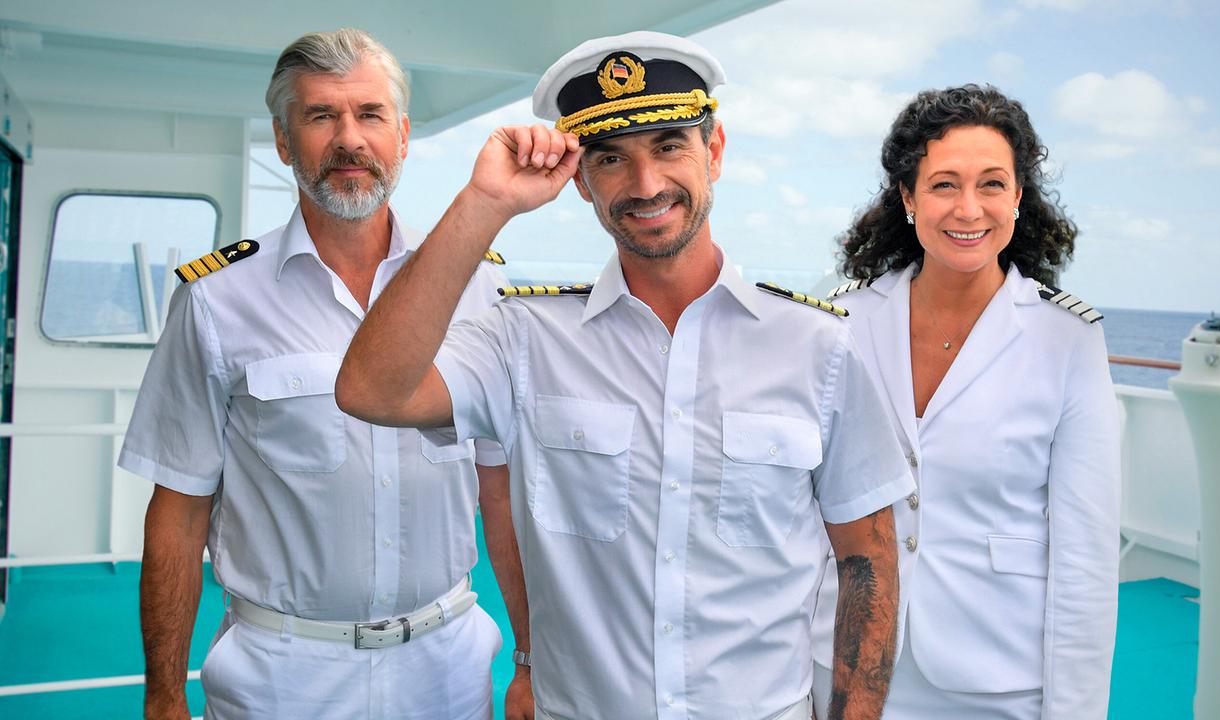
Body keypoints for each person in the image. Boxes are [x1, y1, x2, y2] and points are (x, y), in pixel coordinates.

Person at [336, 31, 914, 720]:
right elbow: (371, 390)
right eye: (611, 158)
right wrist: (485, 203)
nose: (645, 185)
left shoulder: (818, 347)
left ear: (715, 151)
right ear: (580, 180)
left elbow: (868, 564)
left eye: (669, 145)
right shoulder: (524, 339)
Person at [120, 28, 519, 719]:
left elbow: (503, 489)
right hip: (282, 675)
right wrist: (163, 698)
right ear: (282, 141)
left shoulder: (479, 291)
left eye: (369, 115)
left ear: (402, 135)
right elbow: (179, 513)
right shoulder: (219, 298)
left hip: (445, 665)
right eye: (319, 116)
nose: (349, 140)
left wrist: (534, 660)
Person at [812, 84, 1121, 719]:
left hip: (998, 680)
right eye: (944, 184)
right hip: (844, 668)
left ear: (1018, 198)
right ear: (907, 197)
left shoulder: (1067, 340)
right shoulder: (841, 322)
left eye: (992, 184)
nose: (968, 208)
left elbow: (1084, 556)